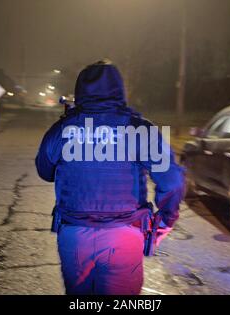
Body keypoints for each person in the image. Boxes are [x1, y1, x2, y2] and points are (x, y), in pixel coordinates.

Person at [36, 60, 184, 295]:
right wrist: (165, 220)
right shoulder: (141, 130)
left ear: (80, 91)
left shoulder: (62, 129)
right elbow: (172, 180)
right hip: (125, 236)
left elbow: (44, 171)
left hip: (74, 237)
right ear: (119, 90)